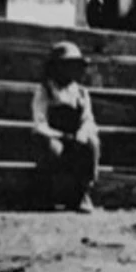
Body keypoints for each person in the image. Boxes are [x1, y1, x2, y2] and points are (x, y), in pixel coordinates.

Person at [31, 42, 100, 213]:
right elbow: (39, 123)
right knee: (52, 148)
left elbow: (88, 119)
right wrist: (60, 136)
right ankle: (48, 193)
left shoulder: (81, 93)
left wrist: (83, 133)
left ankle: (83, 193)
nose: (72, 70)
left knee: (92, 143)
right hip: (55, 136)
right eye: (67, 65)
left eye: (75, 66)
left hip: (75, 137)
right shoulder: (45, 90)